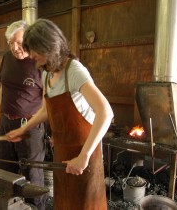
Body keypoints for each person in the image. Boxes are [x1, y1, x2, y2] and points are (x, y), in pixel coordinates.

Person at [7, 19, 114, 209]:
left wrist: (84, 155)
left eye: (34, 50)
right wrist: (24, 128)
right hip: (62, 152)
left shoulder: (74, 70)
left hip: (84, 153)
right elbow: (47, 109)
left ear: (47, 46)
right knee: (64, 203)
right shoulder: (47, 72)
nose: (31, 55)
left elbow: (105, 112)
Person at [0, 20, 46, 210]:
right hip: (6, 123)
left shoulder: (39, 62)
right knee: (5, 169)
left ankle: (36, 208)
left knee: (32, 174)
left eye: (19, 42)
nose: (15, 48)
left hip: (31, 127)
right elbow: (3, 87)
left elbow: (48, 101)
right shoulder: (6, 58)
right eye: (11, 43)